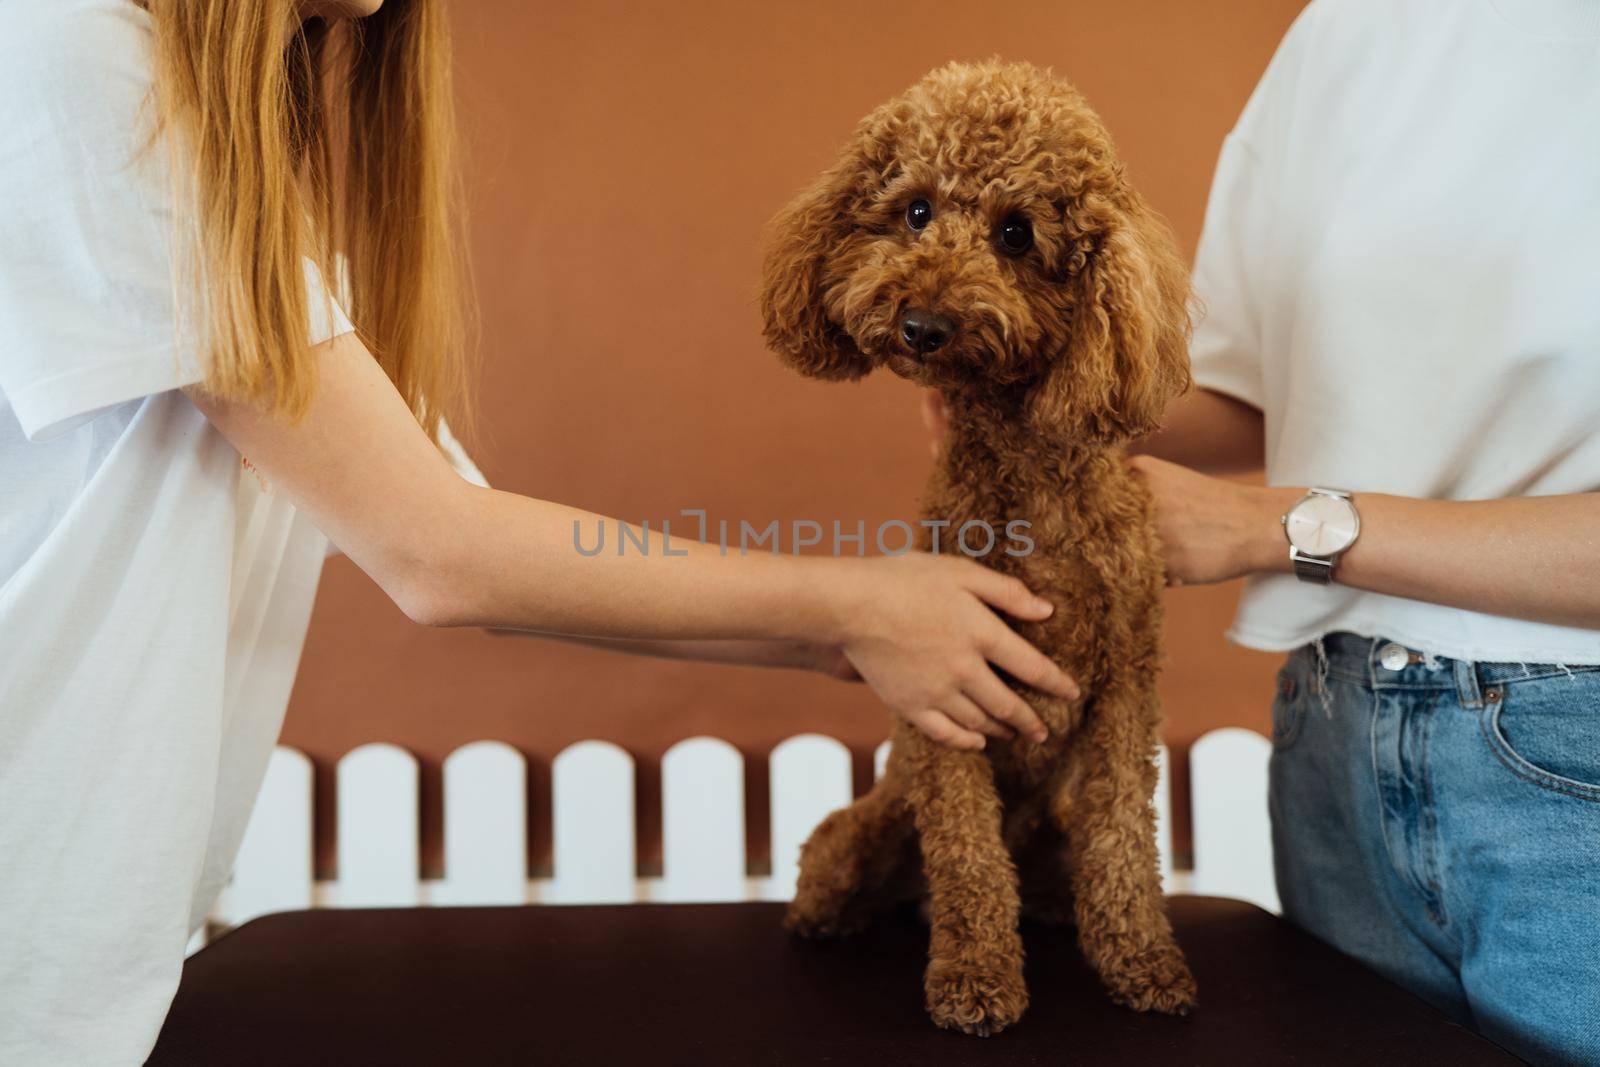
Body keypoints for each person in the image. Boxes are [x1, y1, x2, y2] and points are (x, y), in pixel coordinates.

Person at [0, 1, 1084, 1061]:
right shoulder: (78, 54)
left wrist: (857, 632)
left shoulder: (208, 138)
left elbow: (486, 542)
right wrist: (854, 605)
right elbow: (439, 552)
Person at [931, 1, 1600, 1062]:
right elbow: (1250, 387)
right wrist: (1000, 364)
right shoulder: (1344, 30)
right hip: (1332, 719)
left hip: (1571, 745)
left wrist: (1276, 527)